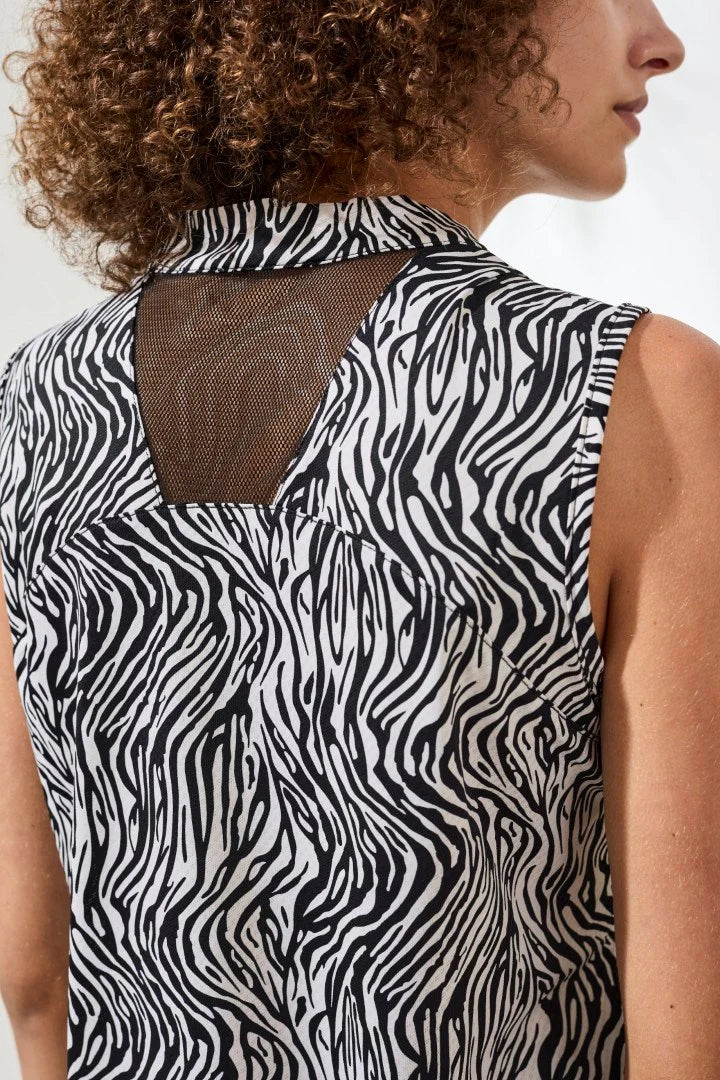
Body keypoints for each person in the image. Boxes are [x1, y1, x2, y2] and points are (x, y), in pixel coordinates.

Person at [0, 1, 716, 1078]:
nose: (662, 41)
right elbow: (692, 1030)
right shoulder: (626, 397)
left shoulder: (36, 402)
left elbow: (33, 976)